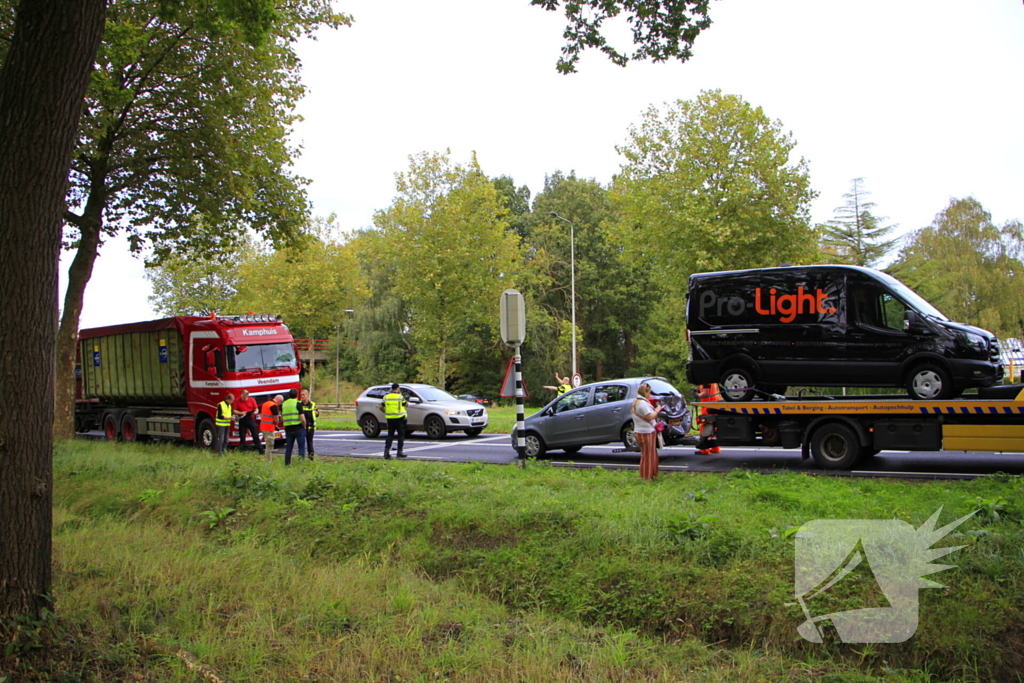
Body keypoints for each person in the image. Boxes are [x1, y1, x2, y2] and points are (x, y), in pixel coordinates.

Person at [631, 383, 663, 480]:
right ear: (645, 392)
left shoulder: (637, 402)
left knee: (650, 454)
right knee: (648, 456)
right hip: (646, 432)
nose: (650, 394)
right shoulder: (642, 403)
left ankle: (652, 475)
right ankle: (646, 477)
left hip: (642, 430)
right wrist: (657, 410)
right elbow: (649, 416)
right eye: (649, 392)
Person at [280, 388, 307, 466]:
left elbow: (282, 417)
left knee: (288, 448)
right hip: (298, 428)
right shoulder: (298, 403)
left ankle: (287, 464)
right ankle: (300, 463)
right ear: (297, 395)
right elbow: (302, 418)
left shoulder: (284, 404)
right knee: (301, 447)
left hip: (288, 428)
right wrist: (304, 426)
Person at [694, 384, 722, 455]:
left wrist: (697, 395)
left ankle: (704, 449)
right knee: (714, 426)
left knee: (705, 425)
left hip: (708, 404)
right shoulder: (714, 381)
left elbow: (705, 394)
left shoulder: (706, 381)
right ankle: (715, 448)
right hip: (716, 403)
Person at [233, 389, 263, 455]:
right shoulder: (237, 400)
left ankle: (260, 449)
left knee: (255, 434)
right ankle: (243, 449)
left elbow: (256, 409)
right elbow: (234, 410)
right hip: (242, 418)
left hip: (250, 418)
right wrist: (241, 412)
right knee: (242, 435)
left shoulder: (252, 400)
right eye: (243, 397)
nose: (244, 399)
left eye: (245, 398)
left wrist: (255, 412)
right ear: (241, 395)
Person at [382, 382, 407, 459]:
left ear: (391, 389)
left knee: (390, 435)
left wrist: (386, 412)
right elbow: (406, 405)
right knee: (400, 435)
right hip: (399, 418)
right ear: (398, 388)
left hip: (390, 419)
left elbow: (380, 407)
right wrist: (401, 395)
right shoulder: (400, 397)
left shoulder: (386, 397)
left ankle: (386, 452)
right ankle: (399, 452)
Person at [259, 394, 284, 461]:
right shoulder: (274, 406)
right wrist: (277, 423)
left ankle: (268, 459)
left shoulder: (265, 404)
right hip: (269, 428)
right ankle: (268, 460)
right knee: (270, 445)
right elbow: (276, 419)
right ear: (279, 400)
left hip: (263, 427)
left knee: (267, 444)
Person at [299, 389, 319, 459]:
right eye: (301, 395)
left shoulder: (312, 404)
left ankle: (311, 458)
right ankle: (301, 458)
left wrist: (317, 413)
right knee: (301, 443)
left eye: (303, 395)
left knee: (309, 443)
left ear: (307, 395)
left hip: (310, 427)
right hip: (301, 427)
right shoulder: (299, 404)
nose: (302, 396)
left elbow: (316, 413)